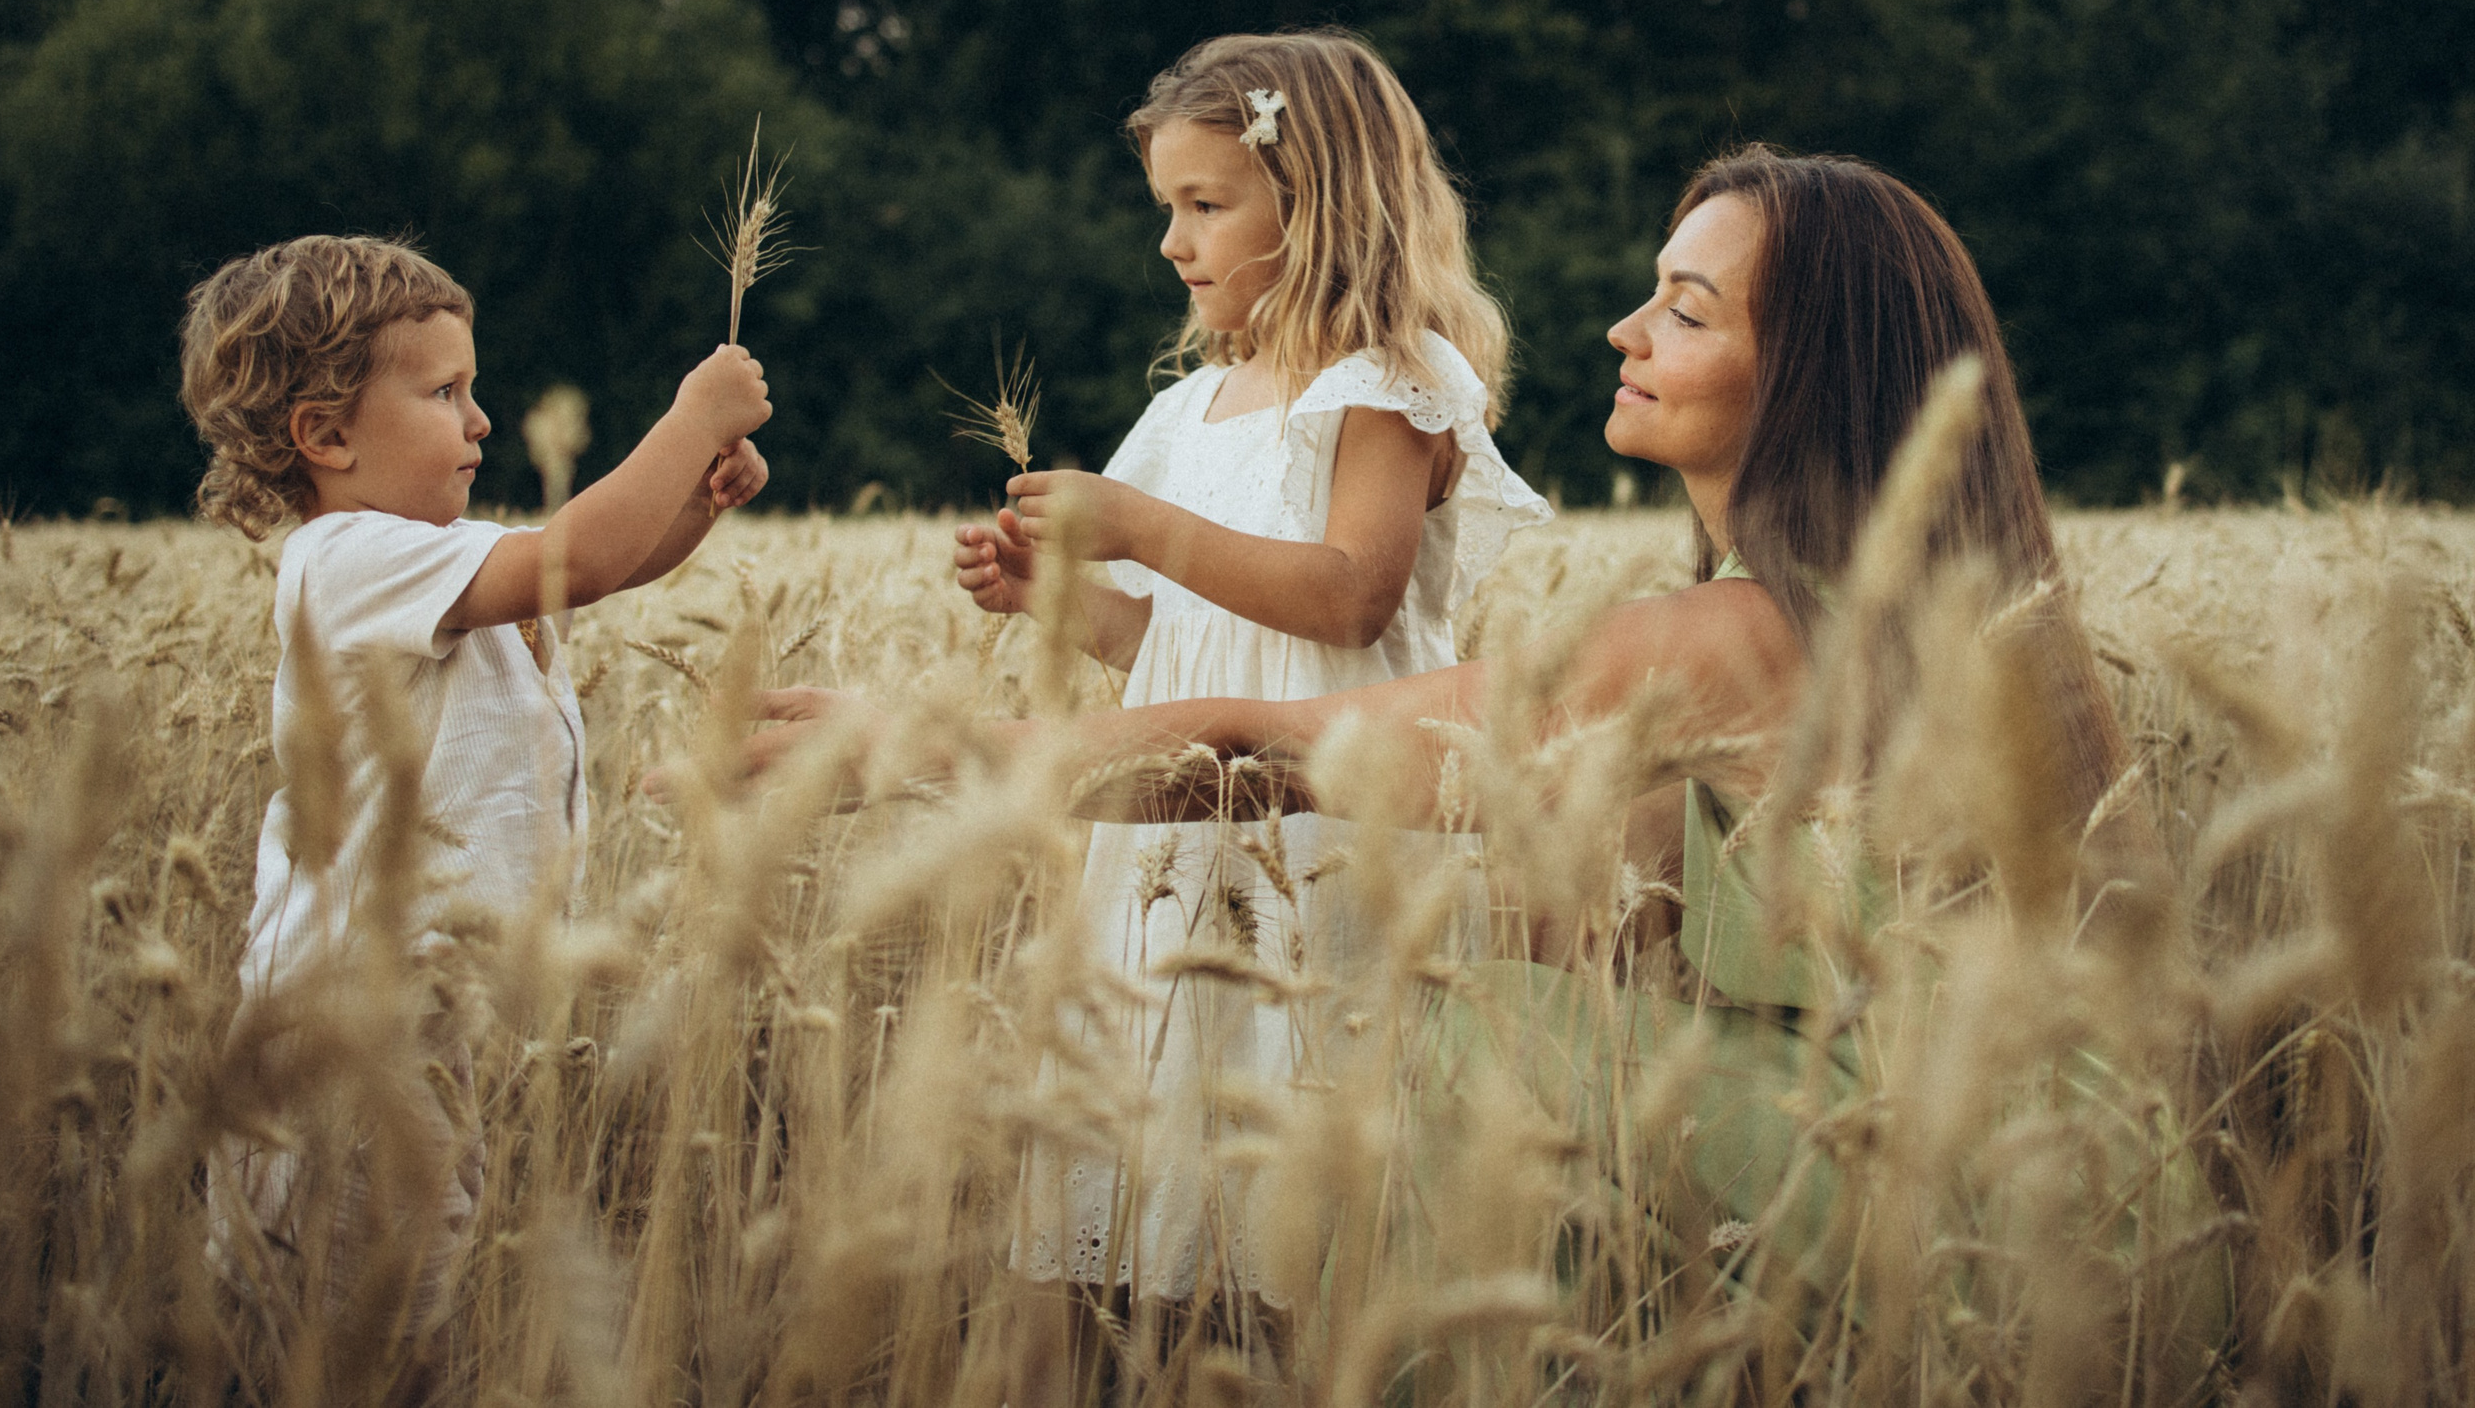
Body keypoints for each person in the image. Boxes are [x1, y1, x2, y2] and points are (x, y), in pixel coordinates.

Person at [760, 146, 2223, 1383]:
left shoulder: (1710, 643)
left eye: (1685, 309)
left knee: (1452, 1043)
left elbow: (1276, 748)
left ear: (1805, 371)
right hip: (2102, 1217)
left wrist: (921, 745)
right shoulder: (1950, 626)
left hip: (1951, 1219)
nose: (1623, 329)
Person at [947, 31, 1552, 1308]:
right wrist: (1059, 601)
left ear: (1322, 201)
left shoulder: (1387, 383)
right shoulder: (1189, 407)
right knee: (1174, 1108)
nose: (1174, 242)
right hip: (1181, 826)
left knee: (1305, 1115)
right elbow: (1168, 636)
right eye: (1167, 207)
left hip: (1321, 820)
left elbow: (1349, 596)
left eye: (1206, 205)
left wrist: (1140, 528)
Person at [178, 234, 770, 1368]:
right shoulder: (344, 559)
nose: (482, 420)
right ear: (327, 436)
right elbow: (576, 562)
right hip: (345, 1038)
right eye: (446, 392)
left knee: (407, 1303)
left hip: (428, 1025)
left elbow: (603, 564)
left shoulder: (430, 555)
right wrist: (691, 417)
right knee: (347, 1329)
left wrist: (694, 505)